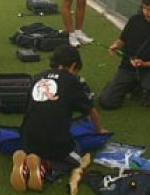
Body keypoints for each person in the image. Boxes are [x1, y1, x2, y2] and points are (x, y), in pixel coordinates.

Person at [10, 45, 107, 193]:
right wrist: (99, 130)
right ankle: (45, 166)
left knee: (41, 135)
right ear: (74, 65)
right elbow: (91, 111)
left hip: (27, 139)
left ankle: (24, 164)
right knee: (76, 159)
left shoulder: (36, 77)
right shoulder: (72, 81)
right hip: (55, 143)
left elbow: (28, 109)